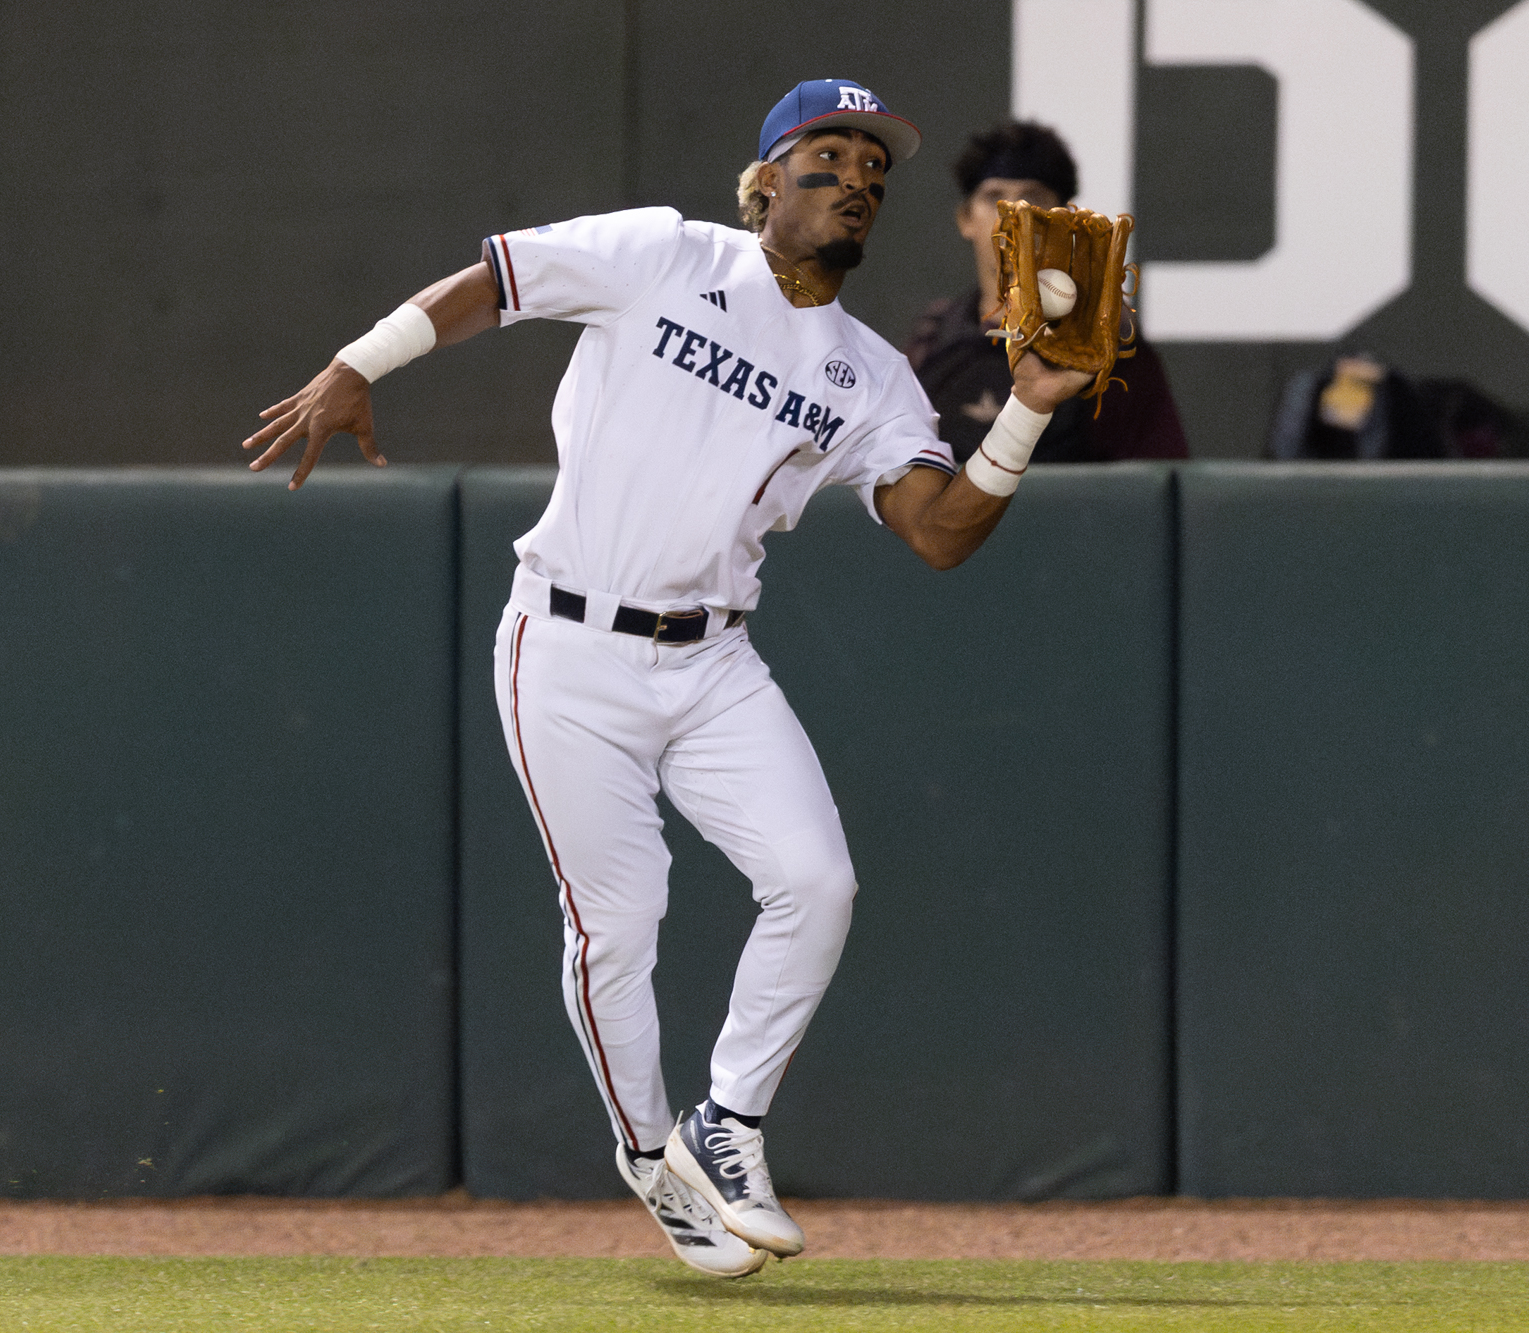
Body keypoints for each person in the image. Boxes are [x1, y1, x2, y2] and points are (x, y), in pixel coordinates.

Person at [241, 80, 1097, 1278]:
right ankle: (650, 1157)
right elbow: (494, 280)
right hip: (567, 645)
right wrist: (356, 361)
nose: (853, 176)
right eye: (824, 155)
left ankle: (725, 1123)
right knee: (617, 926)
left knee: (817, 880)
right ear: (760, 184)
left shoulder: (865, 372)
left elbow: (940, 531)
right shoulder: (659, 253)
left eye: (871, 168)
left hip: (710, 657)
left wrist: (1027, 410)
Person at [905, 121, 1188, 464]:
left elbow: (1147, 488)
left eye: (1032, 198)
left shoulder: (1108, 340)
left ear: (1064, 219)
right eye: (994, 197)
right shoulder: (933, 338)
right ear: (966, 219)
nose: (1013, 215)